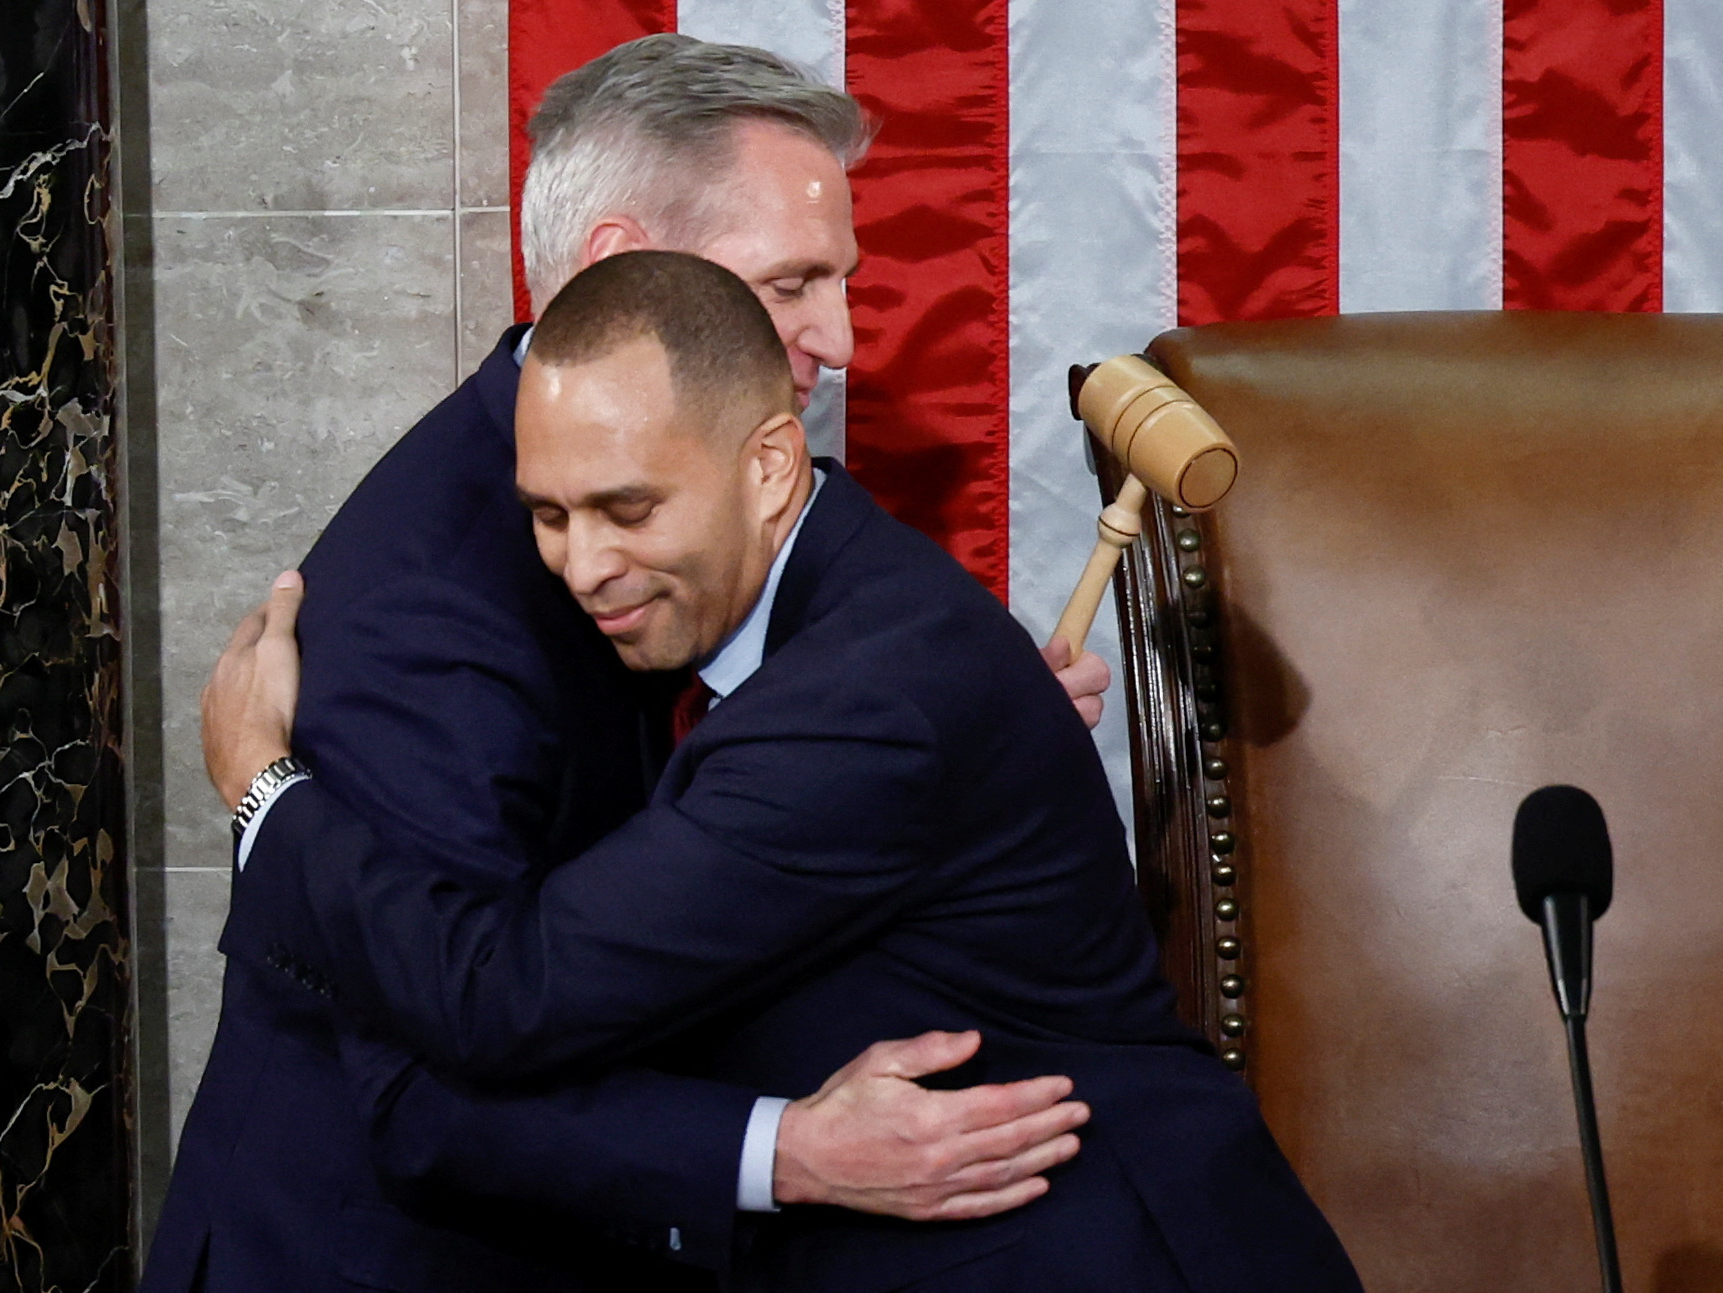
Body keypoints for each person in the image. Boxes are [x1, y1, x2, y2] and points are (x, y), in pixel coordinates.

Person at [142, 35, 1108, 1293]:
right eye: (792, 281)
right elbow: (435, 1080)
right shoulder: (433, 611)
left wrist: (961, 725)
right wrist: (789, 1154)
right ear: (623, 270)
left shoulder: (694, 512)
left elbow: (732, 795)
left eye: (841, 280)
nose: (843, 338)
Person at [211, 250, 1365, 1293]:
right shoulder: (827, 614)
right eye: (550, 517)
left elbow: (507, 993)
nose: (585, 564)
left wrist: (265, 787)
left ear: (767, 465)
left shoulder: (867, 700)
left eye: (627, 509)